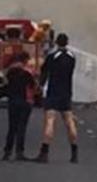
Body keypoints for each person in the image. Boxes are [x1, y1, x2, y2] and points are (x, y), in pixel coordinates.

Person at [34, 33, 78, 164]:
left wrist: (40, 86)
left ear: (57, 42)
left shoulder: (52, 57)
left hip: (53, 92)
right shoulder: (72, 57)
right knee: (70, 122)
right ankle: (74, 153)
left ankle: (44, 153)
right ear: (67, 42)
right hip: (66, 92)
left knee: (50, 122)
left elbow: (44, 73)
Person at [2, 51, 37, 161]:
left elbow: (6, 85)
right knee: (22, 127)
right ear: (25, 60)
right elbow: (33, 86)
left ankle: (7, 151)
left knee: (12, 127)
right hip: (24, 101)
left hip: (12, 101)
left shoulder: (10, 72)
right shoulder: (26, 73)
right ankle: (19, 151)